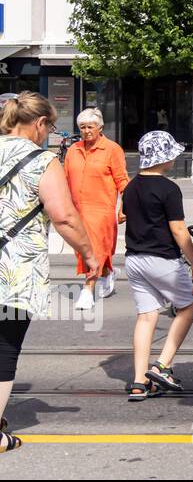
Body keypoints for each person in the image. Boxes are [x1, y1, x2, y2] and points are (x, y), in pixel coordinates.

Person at [0, 93, 95, 453]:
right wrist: (89, 253)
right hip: (13, 271)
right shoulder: (42, 161)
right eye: (50, 127)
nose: (49, 134)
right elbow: (65, 217)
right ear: (39, 124)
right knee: (4, 348)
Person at [122, 131, 193, 400]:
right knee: (189, 307)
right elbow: (179, 230)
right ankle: (162, 365)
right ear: (163, 157)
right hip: (162, 259)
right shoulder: (169, 189)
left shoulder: (130, 187)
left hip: (134, 260)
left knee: (146, 316)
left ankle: (138, 381)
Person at [64, 107, 128, 311]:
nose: (86, 131)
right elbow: (64, 179)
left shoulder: (112, 149)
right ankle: (108, 273)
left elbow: (123, 182)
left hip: (101, 209)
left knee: (94, 247)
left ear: (100, 127)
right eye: (82, 127)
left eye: (90, 126)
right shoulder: (73, 150)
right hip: (75, 209)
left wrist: (123, 208)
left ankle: (87, 290)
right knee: (83, 250)